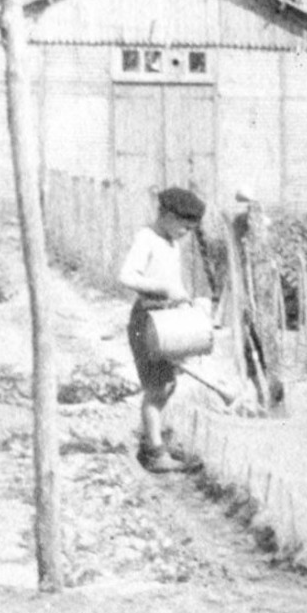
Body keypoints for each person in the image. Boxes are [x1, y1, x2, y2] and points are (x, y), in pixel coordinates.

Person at [119, 186, 206, 473]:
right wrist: (164, 289)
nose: (185, 233)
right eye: (183, 226)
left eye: (190, 229)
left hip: (167, 322)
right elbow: (127, 275)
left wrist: (183, 298)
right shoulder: (147, 238)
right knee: (157, 387)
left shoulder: (171, 243)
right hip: (147, 321)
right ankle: (155, 452)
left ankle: (151, 440)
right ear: (167, 215)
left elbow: (173, 282)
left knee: (167, 385)